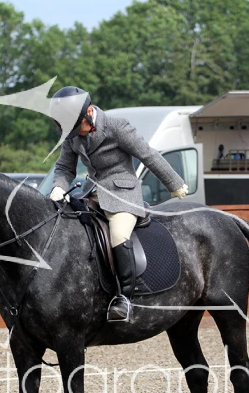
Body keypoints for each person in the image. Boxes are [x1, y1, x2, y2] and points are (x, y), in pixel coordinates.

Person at [47, 86, 189, 322]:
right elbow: (64, 167)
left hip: (122, 193)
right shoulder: (73, 134)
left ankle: (124, 298)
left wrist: (174, 183)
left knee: (118, 234)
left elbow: (147, 155)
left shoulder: (117, 127)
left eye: (77, 128)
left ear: (89, 112)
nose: (75, 134)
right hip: (91, 193)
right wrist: (58, 188)